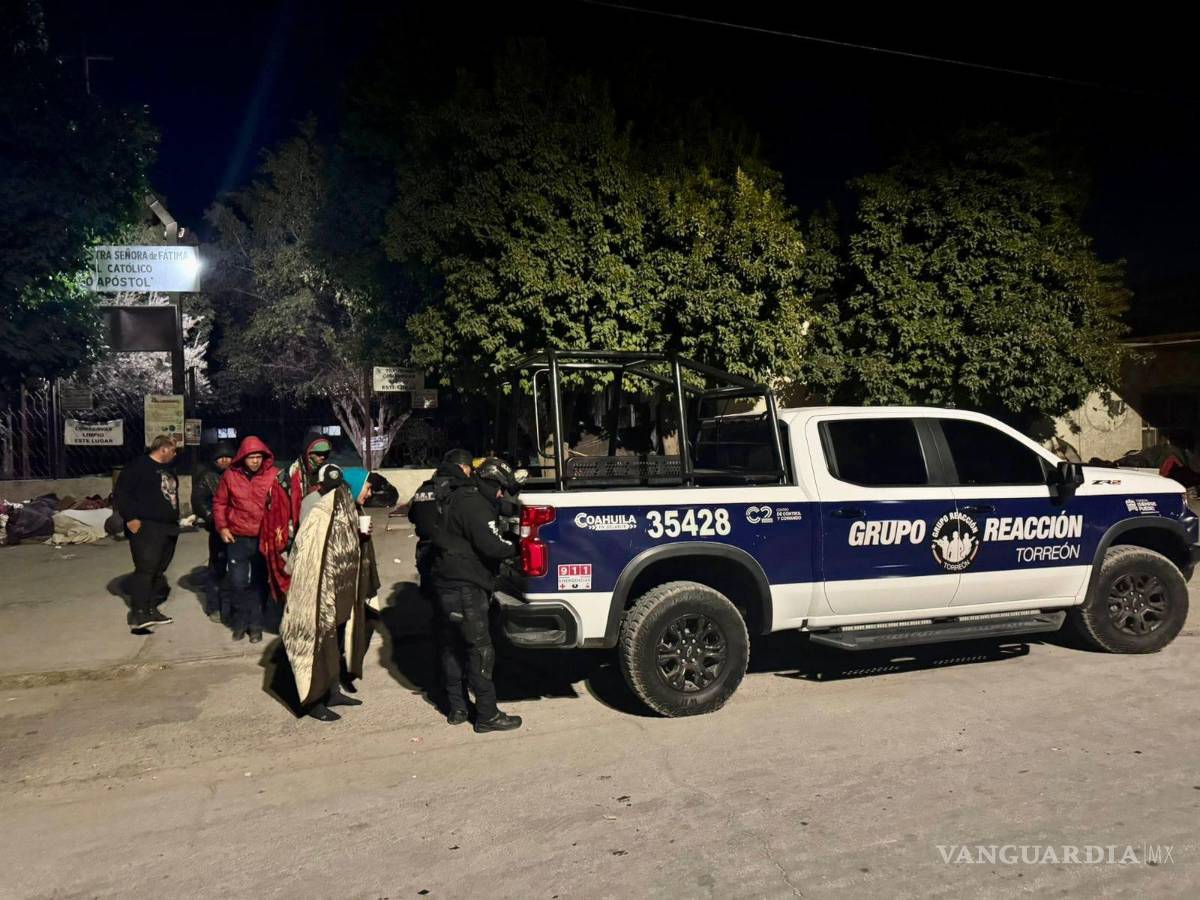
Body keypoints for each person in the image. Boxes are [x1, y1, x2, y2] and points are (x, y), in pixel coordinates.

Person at [431, 456, 522, 732]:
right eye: (499, 488)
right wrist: (517, 546)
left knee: (452, 647)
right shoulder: (475, 506)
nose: (500, 494)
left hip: (446, 583)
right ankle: (487, 715)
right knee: (480, 650)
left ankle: (458, 708)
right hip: (466, 587)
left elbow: (497, 507)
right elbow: (493, 546)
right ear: (490, 481)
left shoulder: (460, 496)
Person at [282, 464, 370, 722]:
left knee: (334, 643)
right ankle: (314, 701)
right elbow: (307, 548)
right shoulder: (316, 507)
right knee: (317, 644)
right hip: (317, 589)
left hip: (337, 587)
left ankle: (332, 690)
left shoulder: (345, 506)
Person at [408, 449, 474, 715]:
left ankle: (443, 682)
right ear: (462, 467)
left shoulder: (425, 488)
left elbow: (414, 517)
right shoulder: (461, 488)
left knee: (440, 624)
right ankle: (461, 688)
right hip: (454, 563)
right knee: (463, 632)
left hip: (427, 561)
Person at [212, 436, 290, 643]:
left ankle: (256, 626)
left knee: (258, 583)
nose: (255, 461)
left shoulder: (274, 475)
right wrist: (222, 527)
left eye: (258, 457)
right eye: (250, 457)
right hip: (237, 537)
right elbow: (220, 502)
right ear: (242, 458)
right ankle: (240, 622)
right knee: (238, 583)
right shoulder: (230, 476)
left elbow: (284, 505)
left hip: (264, 537)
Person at [114, 436, 181, 633]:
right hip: (147, 526)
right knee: (146, 569)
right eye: (173, 450)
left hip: (167, 527)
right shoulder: (138, 467)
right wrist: (131, 518)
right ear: (163, 449)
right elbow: (122, 493)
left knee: (159, 569)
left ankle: (152, 608)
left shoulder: (168, 469)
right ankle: (139, 612)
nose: (175, 455)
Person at [190, 441, 235, 623]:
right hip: (218, 530)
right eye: (220, 458)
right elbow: (200, 503)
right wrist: (214, 518)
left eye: (228, 457)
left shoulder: (236, 475)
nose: (224, 461)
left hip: (238, 529)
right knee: (217, 569)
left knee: (236, 570)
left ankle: (232, 606)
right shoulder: (207, 477)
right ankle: (214, 606)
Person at [286, 435, 333, 524]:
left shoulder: (326, 471)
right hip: (301, 517)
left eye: (326, 454)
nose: (322, 457)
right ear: (309, 453)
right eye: (319, 454)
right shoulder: (295, 472)